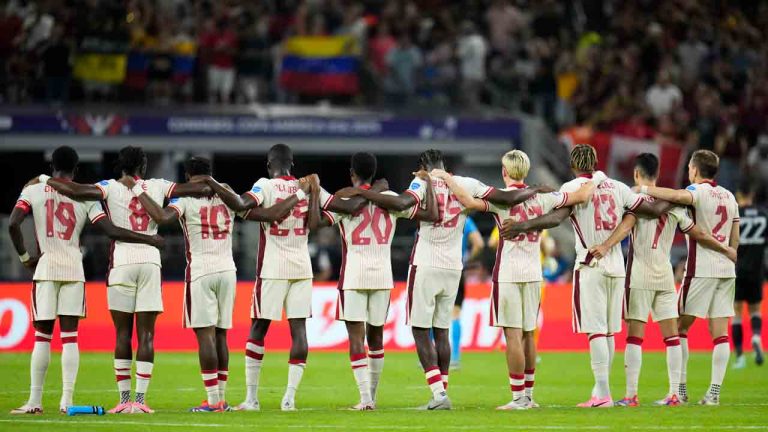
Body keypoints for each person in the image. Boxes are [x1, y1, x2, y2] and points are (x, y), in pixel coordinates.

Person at [350, 149, 546, 410]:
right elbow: (503, 196)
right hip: (454, 266)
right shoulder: (466, 184)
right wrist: (533, 189)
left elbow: (404, 204)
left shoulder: (421, 182)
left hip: (426, 262)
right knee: (442, 329)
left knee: (421, 329)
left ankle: (438, 394)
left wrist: (376, 192)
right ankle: (442, 390)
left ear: (423, 166)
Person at [127, 156, 303, 412]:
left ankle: (212, 401)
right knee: (221, 335)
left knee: (206, 336)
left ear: (188, 177)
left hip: (201, 270)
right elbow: (256, 213)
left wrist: (137, 190)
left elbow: (163, 217)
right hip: (227, 270)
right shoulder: (228, 193)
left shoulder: (185, 197)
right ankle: (221, 398)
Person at [499, 144, 669, 408]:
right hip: (617, 266)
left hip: (590, 263)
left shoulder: (571, 188)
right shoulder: (618, 187)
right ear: (596, 161)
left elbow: (555, 219)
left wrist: (522, 226)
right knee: (610, 332)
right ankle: (602, 391)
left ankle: (602, 394)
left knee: (597, 332)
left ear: (573, 165)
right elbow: (650, 211)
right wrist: (677, 196)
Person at [43, 146, 208, 414]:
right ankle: (141, 403)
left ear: (121, 165)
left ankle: (123, 400)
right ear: (143, 166)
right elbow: (195, 190)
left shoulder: (109, 187)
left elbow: (74, 191)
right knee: (146, 334)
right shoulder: (158, 185)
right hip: (150, 262)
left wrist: (43, 179)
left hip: (121, 263)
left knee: (122, 334)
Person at [432, 149, 600, 409]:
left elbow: (468, 200)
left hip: (508, 273)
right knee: (529, 335)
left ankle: (518, 397)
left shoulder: (501, 199)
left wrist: (446, 178)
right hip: (534, 273)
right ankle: (529, 397)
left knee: (512, 336)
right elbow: (580, 196)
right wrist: (596, 178)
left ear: (504, 172)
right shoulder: (544, 198)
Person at [205, 143, 367, 411]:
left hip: (271, 268)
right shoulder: (309, 187)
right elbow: (343, 207)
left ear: (270, 165)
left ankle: (252, 399)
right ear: (292, 164)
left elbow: (243, 204)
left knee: (258, 329)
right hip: (302, 267)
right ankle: (289, 398)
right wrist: (368, 192)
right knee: (299, 331)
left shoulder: (265, 186)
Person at [9, 146, 163, 415]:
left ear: (52, 166)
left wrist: (24, 257)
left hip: (45, 266)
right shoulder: (86, 198)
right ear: (76, 169)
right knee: (70, 338)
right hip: (73, 268)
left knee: (42, 337)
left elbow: (13, 223)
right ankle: (67, 401)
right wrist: (149, 239)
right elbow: (110, 230)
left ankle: (34, 402)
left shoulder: (32, 189)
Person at [588, 153, 736, 407]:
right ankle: (674, 393)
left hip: (639, 275)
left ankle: (631, 395)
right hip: (665, 275)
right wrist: (727, 250)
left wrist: (606, 243)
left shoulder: (635, 200)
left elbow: (625, 227)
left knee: (635, 337)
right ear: (657, 175)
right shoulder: (675, 206)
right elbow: (695, 231)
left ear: (637, 174)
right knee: (672, 337)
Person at [309, 152, 438, 410]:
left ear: (352, 174)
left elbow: (317, 222)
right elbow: (429, 215)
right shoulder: (389, 199)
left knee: (356, 338)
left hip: (353, 274)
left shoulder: (345, 199)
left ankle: (365, 399)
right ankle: (373, 396)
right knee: (376, 337)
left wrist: (315, 192)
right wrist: (429, 186)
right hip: (382, 274)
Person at [640, 150, 740, 405]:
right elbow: (735, 232)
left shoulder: (696, 192)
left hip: (701, 269)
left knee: (679, 328)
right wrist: (731, 251)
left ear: (695, 170)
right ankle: (713, 393)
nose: (688, 173)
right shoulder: (729, 196)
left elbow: (675, 196)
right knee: (720, 334)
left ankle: (680, 391)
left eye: (689, 169)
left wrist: (645, 188)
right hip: (727, 270)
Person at [732, 181, 767, 369]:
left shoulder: (736, 215)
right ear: (751, 195)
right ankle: (755, 337)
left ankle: (739, 357)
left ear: (739, 195)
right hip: (757, 271)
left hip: (737, 271)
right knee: (755, 310)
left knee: (736, 313)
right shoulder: (763, 215)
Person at [449, 216, 484, 370]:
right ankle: (455, 357)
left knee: (432, 312)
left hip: (435, 268)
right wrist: (467, 259)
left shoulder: (433, 213)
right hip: (457, 268)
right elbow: (479, 243)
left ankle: (429, 356)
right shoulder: (465, 219)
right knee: (455, 313)